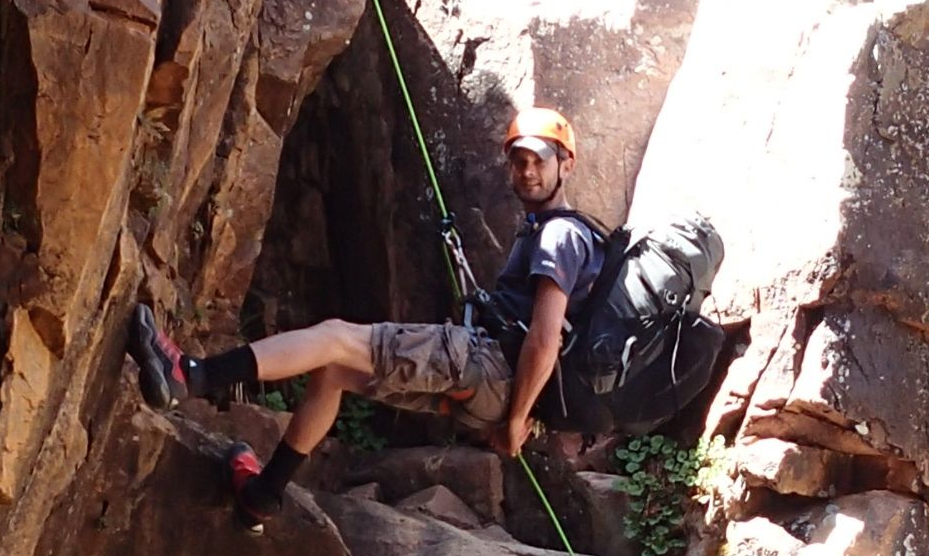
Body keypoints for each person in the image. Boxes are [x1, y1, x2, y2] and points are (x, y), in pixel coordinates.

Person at [129, 106, 607, 525]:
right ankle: (264, 494)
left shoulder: (560, 237)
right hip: (491, 385)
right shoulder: (544, 231)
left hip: (487, 370)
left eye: (538, 161)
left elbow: (545, 339)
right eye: (518, 161)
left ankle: (191, 374)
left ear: (566, 164)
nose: (526, 172)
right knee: (336, 370)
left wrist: (515, 421)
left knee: (336, 336)